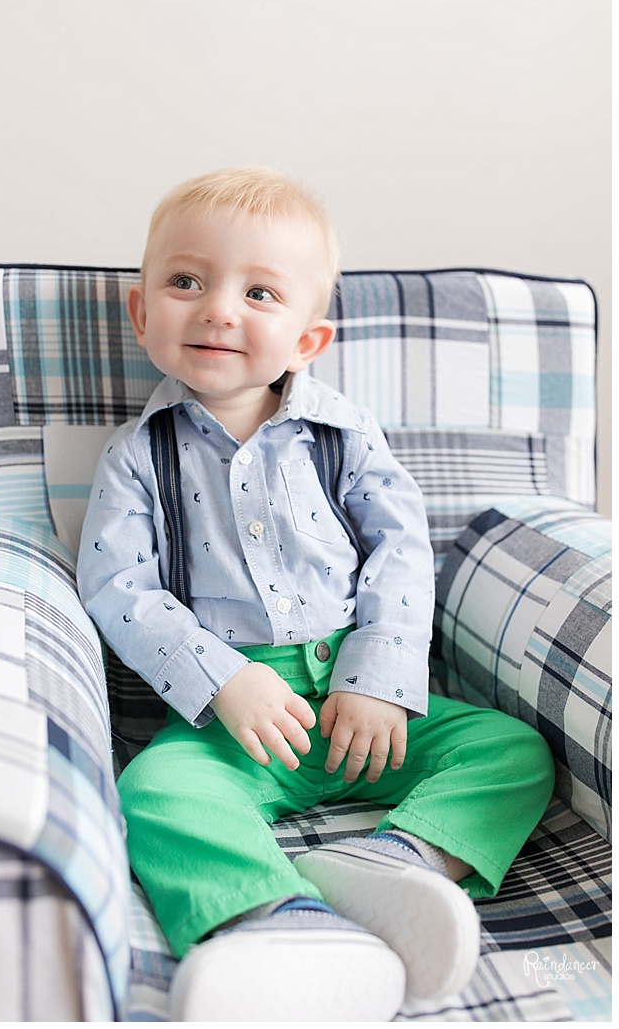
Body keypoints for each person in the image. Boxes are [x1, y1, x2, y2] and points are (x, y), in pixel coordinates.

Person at [78, 167, 554, 1023]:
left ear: (306, 339)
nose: (220, 308)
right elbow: (118, 588)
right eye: (187, 281)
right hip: (235, 723)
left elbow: (403, 552)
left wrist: (378, 674)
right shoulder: (135, 458)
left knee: (511, 749)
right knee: (153, 792)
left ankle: (397, 863)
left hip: (365, 711)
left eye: (259, 291)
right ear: (142, 313)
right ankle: (278, 920)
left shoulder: (344, 436)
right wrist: (221, 676)